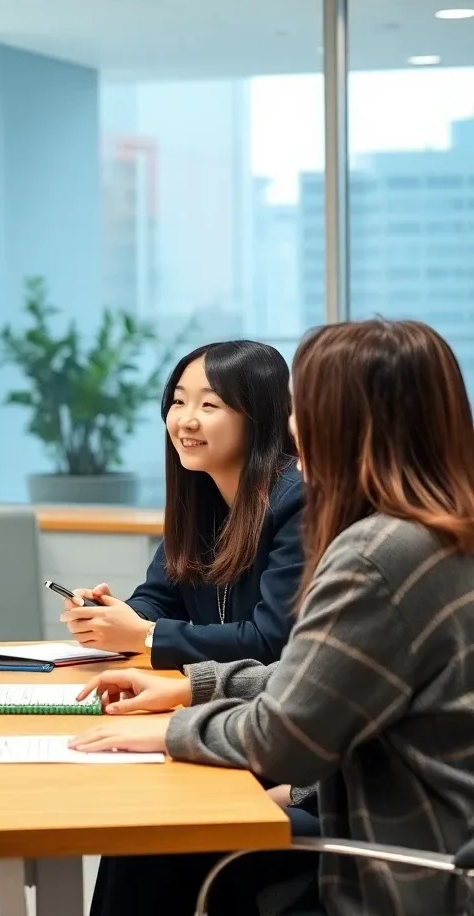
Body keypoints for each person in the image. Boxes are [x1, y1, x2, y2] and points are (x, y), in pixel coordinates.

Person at [72, 319, 474, 916]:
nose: (292, 424)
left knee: (154, 838)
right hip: (423, 837)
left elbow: (286, 736)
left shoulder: (377, 554)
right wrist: (195, 685)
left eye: (303, 404)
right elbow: (325, 682)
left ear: (345, 422)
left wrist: (167, 730)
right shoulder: (439, 534)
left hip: (404, 870)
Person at [62, 340, 304, 669]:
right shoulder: (201, 494)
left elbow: (272, 640)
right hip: (215, 697)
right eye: (178, 401)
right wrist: (111, 615)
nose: (186, 421)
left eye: (209, 405)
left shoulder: (298, 500)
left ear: (257, 415)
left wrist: (146, 635)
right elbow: (161, 597)